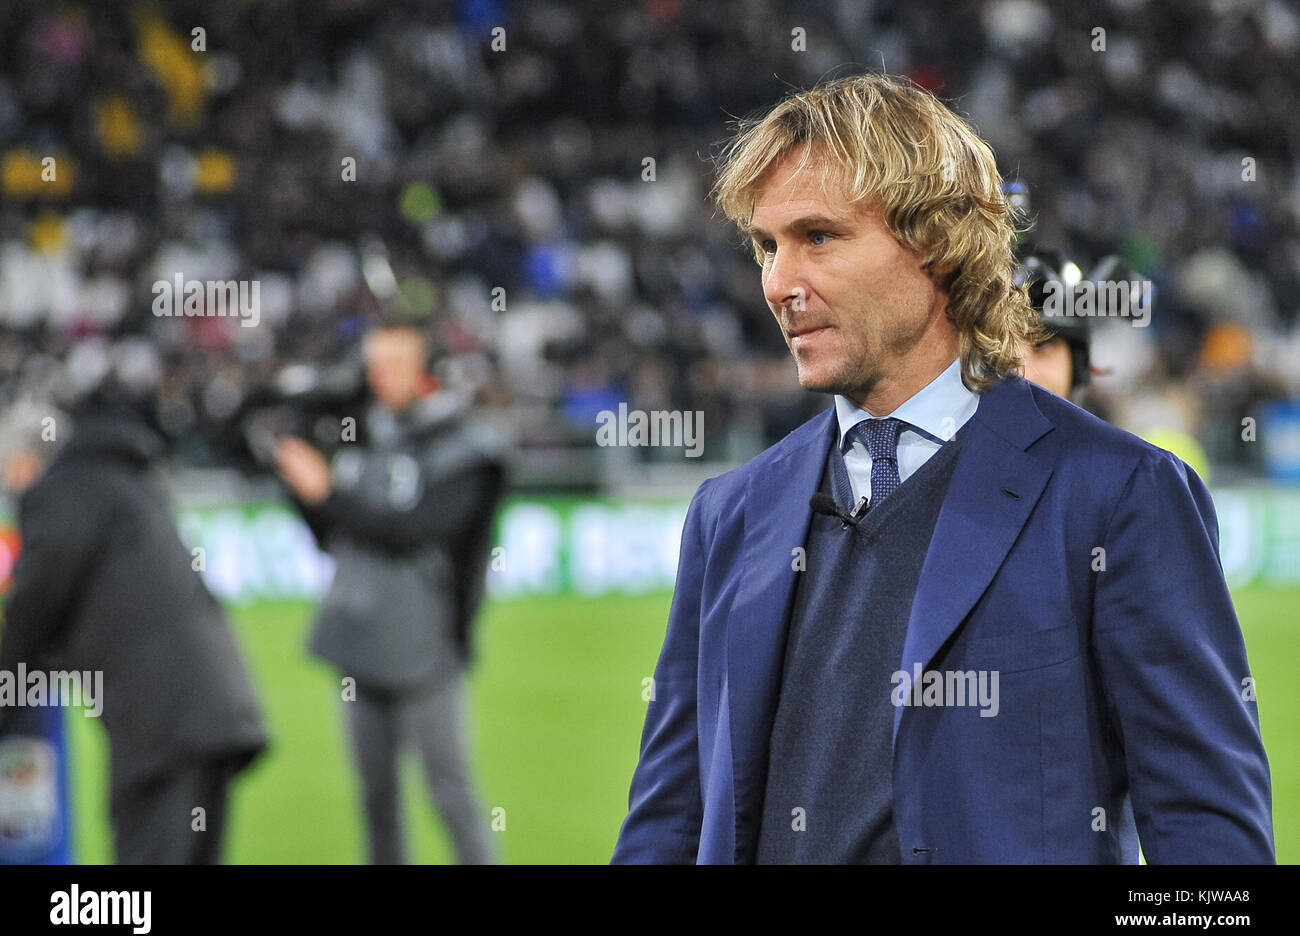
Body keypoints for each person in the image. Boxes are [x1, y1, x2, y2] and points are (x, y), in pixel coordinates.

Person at [611, 74, 1274, 865]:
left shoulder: (1116, 494)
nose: (779, 284)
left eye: (818, 236)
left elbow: (1209, 842)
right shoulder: (731, 515)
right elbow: (668, 824)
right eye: (766, 246)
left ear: (933, 238)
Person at [0, 394, 268, 864]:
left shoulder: (64, 494)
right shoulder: (117, 482)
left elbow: (31, 619)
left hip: (161, 729)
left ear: (25, 460)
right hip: (201, 716)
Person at [275, 320, 503, 865]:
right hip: (360, 638)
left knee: (450, 794)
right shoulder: (366, 435)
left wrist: (324, 490)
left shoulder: (464, 449)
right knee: (376, 801)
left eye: (395, 364)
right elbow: (333, 536)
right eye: (373, 365)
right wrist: (304, 490)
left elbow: (410, 531)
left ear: (428, 369)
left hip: (427, 646)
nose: (380, 378)